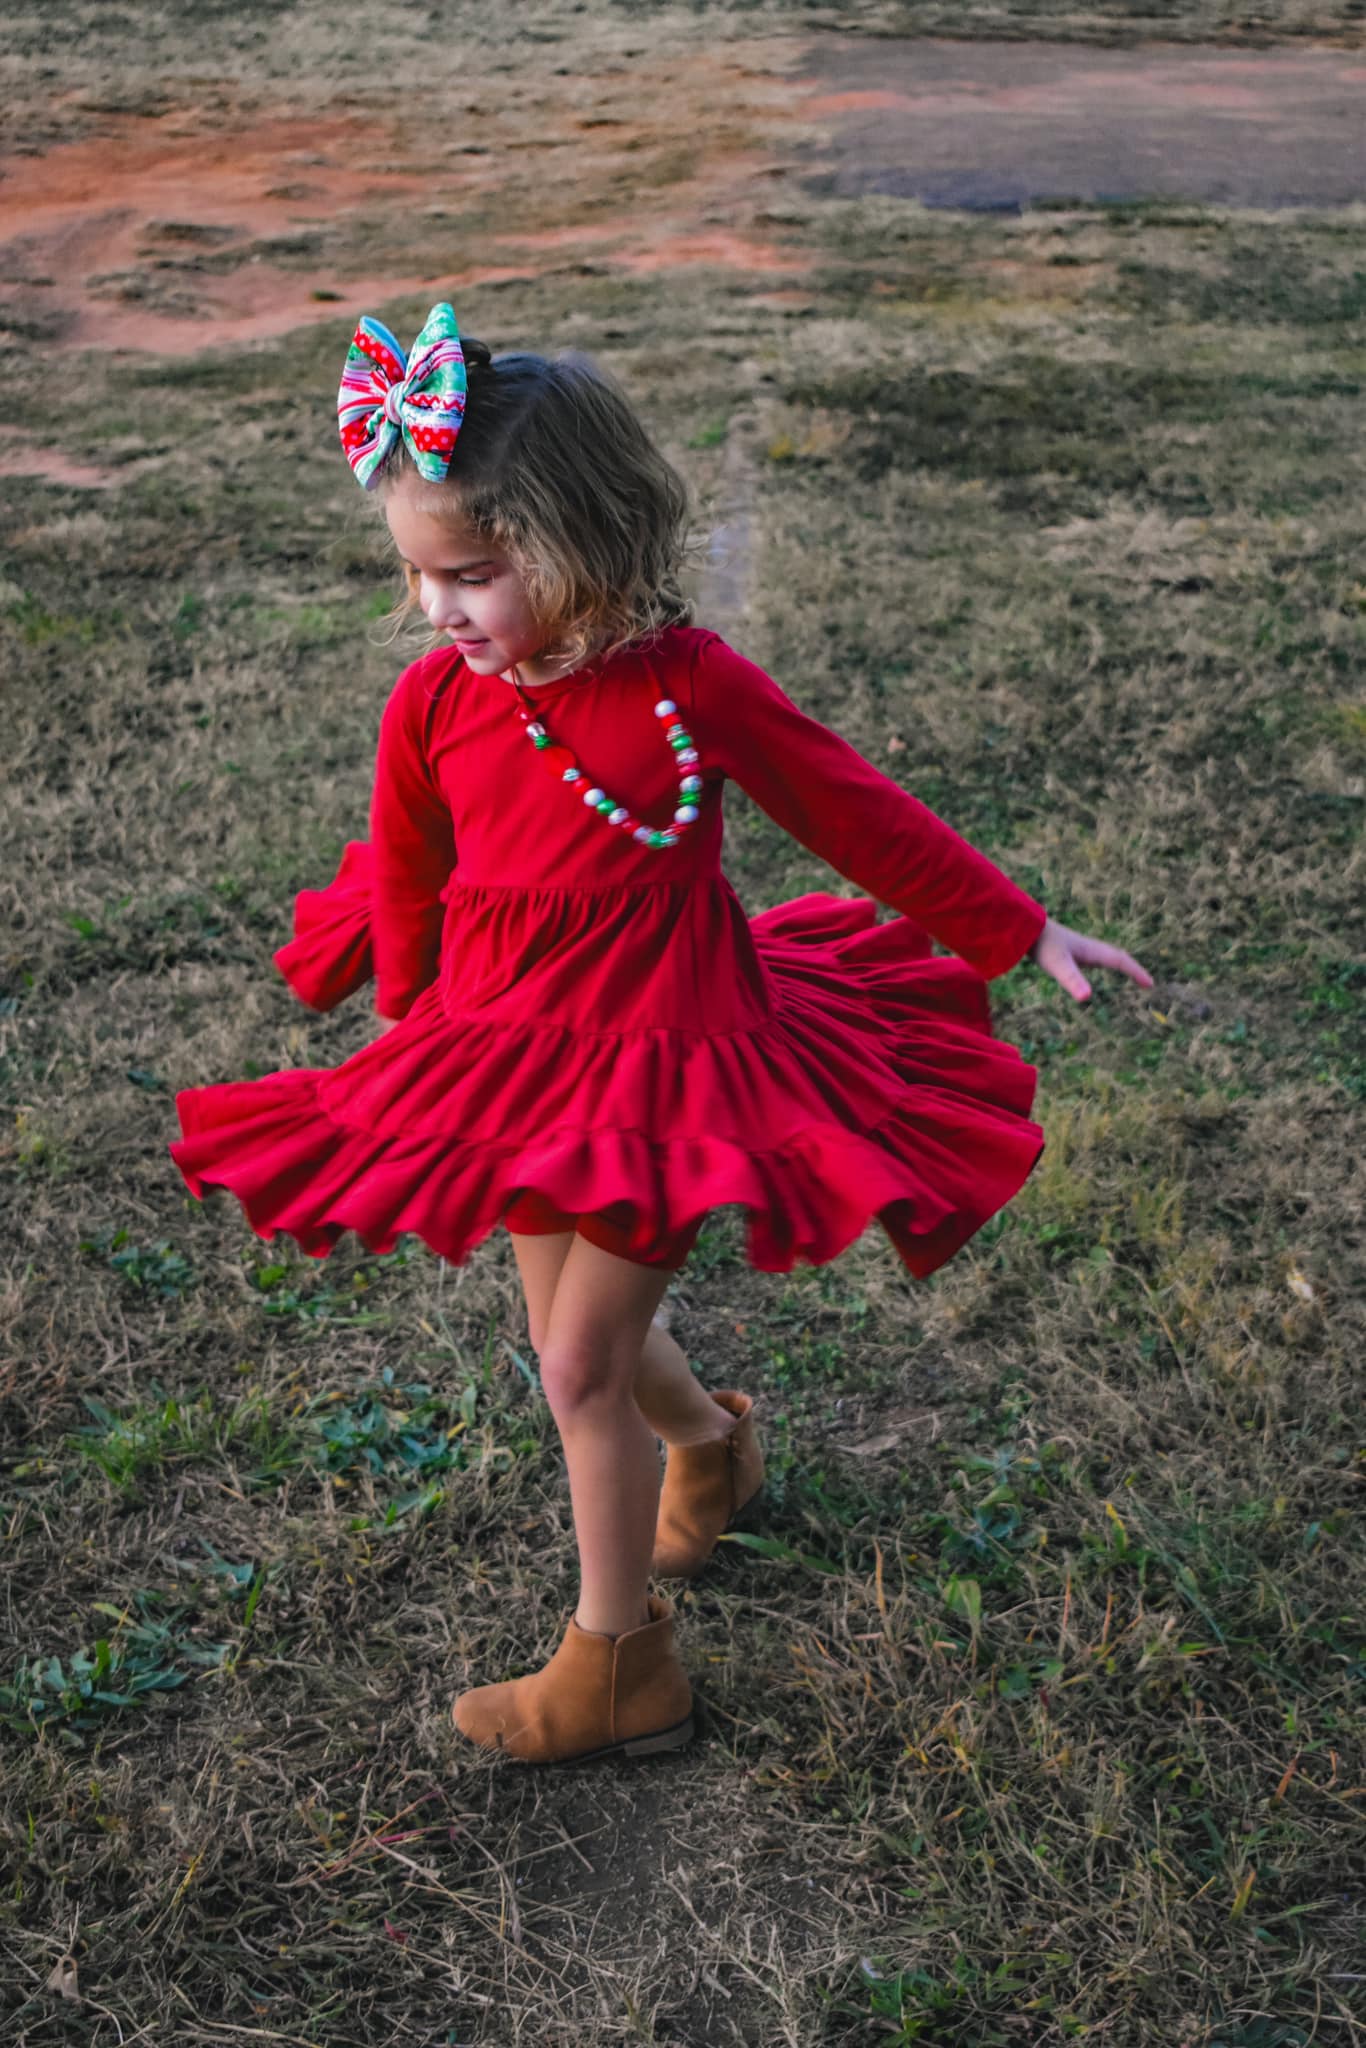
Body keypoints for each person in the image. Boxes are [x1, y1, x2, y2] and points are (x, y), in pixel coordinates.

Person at [170, 303, 1152, 1767]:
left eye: (474, 575)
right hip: (506, 1057)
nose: (440, 609)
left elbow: (851, 807)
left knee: (573, 1368)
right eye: (421, 577)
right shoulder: (432, 703)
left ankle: (619, 1665)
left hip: (673, 1057)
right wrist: (400, 1043)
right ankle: (711, 1444)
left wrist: (1017, 931)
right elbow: (404, 877)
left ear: (583, 544)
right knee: (591, 1352)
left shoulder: (689, 686)